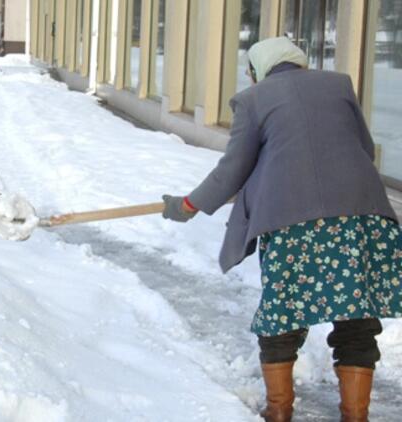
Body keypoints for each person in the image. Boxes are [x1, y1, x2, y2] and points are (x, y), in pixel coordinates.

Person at [162, 36, 401, 422]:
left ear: (260, 69)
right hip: (362, 215)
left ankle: (278, 412)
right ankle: (355, 417)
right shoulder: (338, 84)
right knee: (357, 321)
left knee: (283, 315)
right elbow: (364, 148)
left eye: (250, 72)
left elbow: (232, 170)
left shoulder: (253, 100)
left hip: (295, 224)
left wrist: (187, 205)